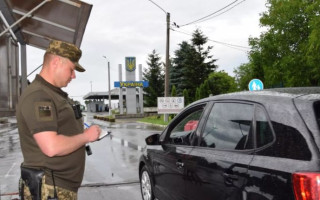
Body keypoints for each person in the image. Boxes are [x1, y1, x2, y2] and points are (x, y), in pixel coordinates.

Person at [16, 39, 101, 200]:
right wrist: (86, 136)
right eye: (71, 69)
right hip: (49, 189)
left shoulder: (51, 94)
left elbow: (60, 131)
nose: (73, 75)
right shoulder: (39, 96)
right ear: (56, 62)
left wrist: (81, 134)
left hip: (57, 188)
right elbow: (51, 146)